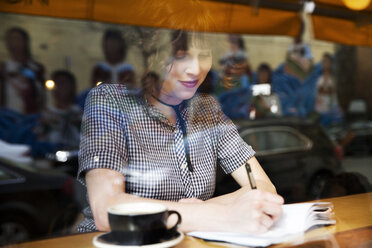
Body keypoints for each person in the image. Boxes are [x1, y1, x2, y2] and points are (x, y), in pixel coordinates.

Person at [77, 29, 283, 235]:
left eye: (203, 55)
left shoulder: (207, 109)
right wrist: (222, 215)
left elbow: (264, 187)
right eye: (180, 56)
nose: (195, 69)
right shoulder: (109, 100)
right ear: (152, 56)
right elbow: (107, 209)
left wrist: (201, 210)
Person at [0, 27, 45, 114]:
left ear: (25, 42)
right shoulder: (3, 67)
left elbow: (42, 94)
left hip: (32, 116)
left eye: (16, 38)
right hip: (8, 116)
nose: (12, 43)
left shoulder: (36, 68)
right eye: (9, 39)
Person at [35, 70, 82, 150]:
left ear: (72, 87)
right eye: (57, 84)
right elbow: (39, 136)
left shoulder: (78, 112)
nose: (60, 87)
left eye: (64, 83)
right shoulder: (46, 114)